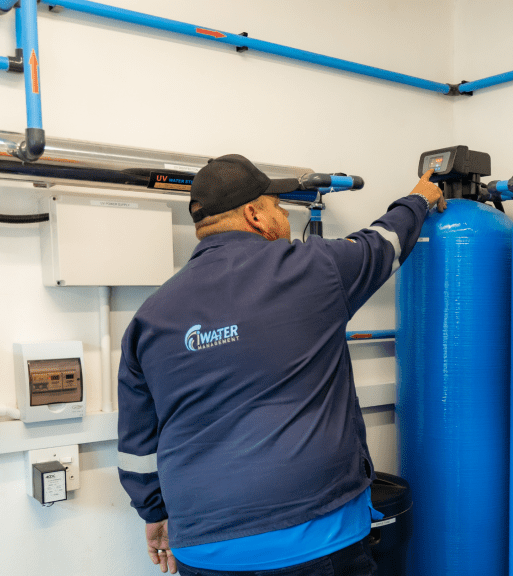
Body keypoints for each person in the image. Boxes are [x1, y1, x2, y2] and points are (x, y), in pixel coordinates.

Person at [117, 154, 445, 576]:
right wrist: (419, 198)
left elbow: (136, 446)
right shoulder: (313, 268)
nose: (285, 217)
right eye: (278, 207)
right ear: (254, 215)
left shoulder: (149, 317)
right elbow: (385, 242)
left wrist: (153, 512)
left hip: (203, 551)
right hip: (317, 540)